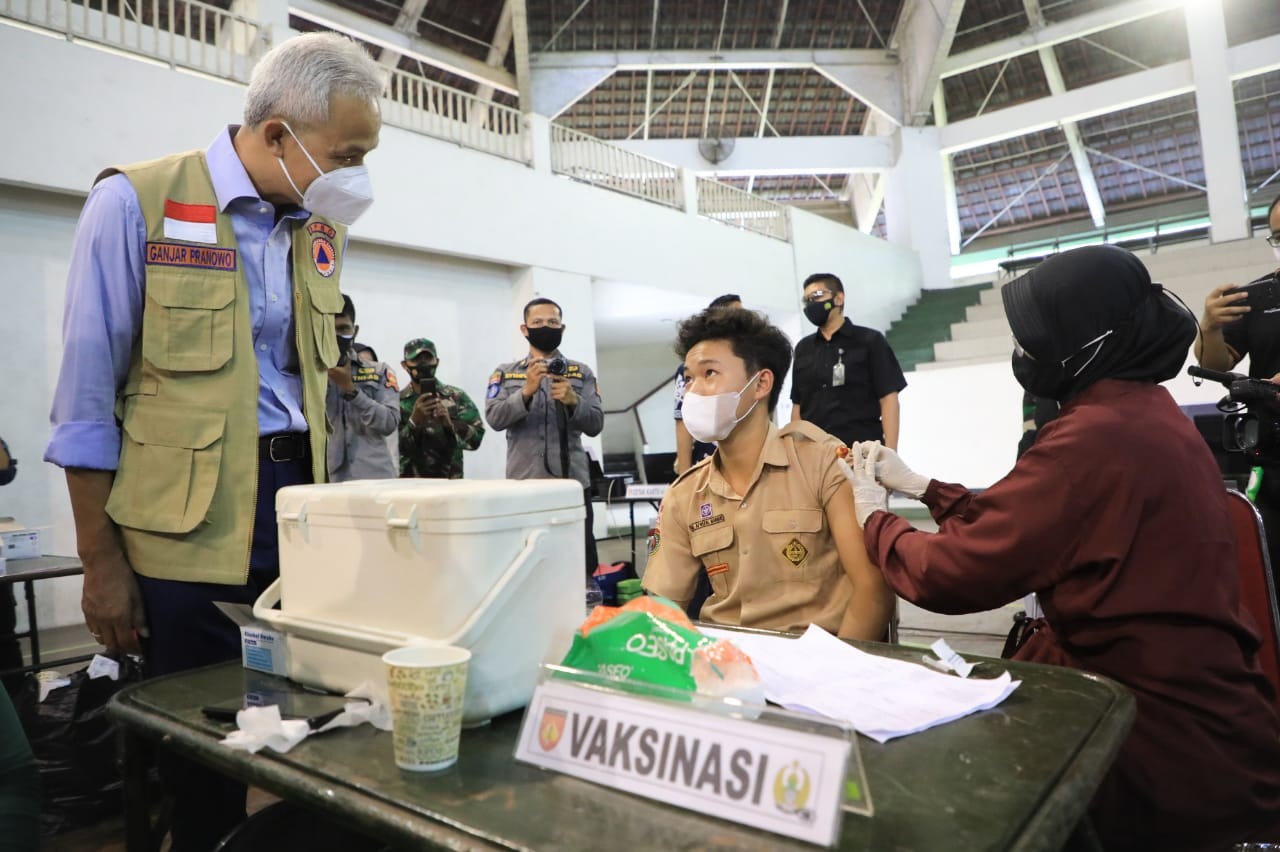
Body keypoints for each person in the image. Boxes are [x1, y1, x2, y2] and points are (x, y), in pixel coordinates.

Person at [44, 32, 383, 851]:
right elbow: (85, 406)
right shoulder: (135, 203)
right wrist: (101, 564)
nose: (357, 176)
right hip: (183, 532)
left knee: (303, 729)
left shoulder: (316, 229)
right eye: (346, 154)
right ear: (277, 135)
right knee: (197, 751)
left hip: (301, 517)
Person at [848, 245, 1280, 850]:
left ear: (1090, 342)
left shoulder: (1091, 438)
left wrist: (873, 519)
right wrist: (925, 488)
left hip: (1158, 747)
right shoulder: (1141, 411)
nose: (1025, 353)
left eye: (1038, 337)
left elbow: (950, 574)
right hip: (1204, 715)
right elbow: (1034, 522)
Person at [642, 307, 893, 640]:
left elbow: (873, 591)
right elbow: (662, 608)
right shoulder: (684, 494)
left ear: (760, 384)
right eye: (689, 378)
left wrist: (834, 677)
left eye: (710, 373)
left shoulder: (824, 464)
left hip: (821, 665)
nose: (693, 391)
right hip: (730, 667)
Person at [485, 298, 604, 574]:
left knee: (580, 562)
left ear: (562, 328)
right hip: (525, 484)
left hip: (572, 484)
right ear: (524, 329)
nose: (545, 327)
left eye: (552, 322)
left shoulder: (581, 371)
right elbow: (495, 419)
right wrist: (526, 391)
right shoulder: (504, 373)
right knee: (528, 562)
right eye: (537, 323)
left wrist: (574, 400)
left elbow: (596, 424)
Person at [1196, 193, 1280, 567]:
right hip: (1274, 461)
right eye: (1278, 237)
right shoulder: (1257, 297)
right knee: (1267, 567)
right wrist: (1210, 327)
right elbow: (1215, 363)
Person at [791, 273, 907, 448]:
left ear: (838, 298)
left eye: (817, 296)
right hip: (815, 458)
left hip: (861, 452)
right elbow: (797, 407)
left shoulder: (870, 341)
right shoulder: (803, 348)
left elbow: (889, 399)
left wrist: (890, 453)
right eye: (807, 300)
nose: (811, 304)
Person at [326, 294, 400, 482]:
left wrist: (351, 390)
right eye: (330, 329)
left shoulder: (379, 371)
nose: (337, 336)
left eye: (343, 329)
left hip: (376, 480)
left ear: (355, 330)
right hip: (327, 483)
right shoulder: (309, 377)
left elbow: (389, 422)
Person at [398, 337, 484, 479]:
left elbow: (476, 439)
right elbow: (392, 448)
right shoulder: (397, 402)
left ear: (437, 362)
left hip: (450, 485)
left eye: (428, 359)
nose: (423, 364)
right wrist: (414, 421)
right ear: (404, 365)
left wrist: (449, 424)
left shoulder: (456, 397)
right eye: (417, 360)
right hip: (411, 488)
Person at [675, 294, 742, 476]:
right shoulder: (688, 370)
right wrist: (684, 474)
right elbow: (682, 422)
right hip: (707, 461)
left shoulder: (751, 368)